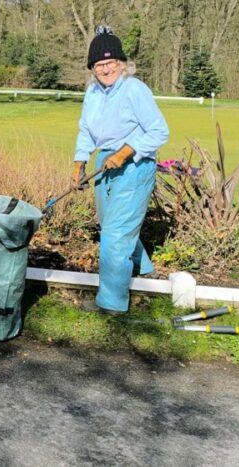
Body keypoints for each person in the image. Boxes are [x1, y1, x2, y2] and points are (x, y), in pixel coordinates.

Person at [73, 26, 169, 314]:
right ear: (92, 68)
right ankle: (143, 267)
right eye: (99, 65)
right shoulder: (92, 92)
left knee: (115, 233)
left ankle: (111, 304)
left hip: (135, 165)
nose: (105, 69)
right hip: (105, 163)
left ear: (121, 64)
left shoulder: (134, 90)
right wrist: (79, 163)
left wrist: (126, 152)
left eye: (111, 63)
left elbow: (159, 131)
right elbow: (85, 131)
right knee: (112, 224)